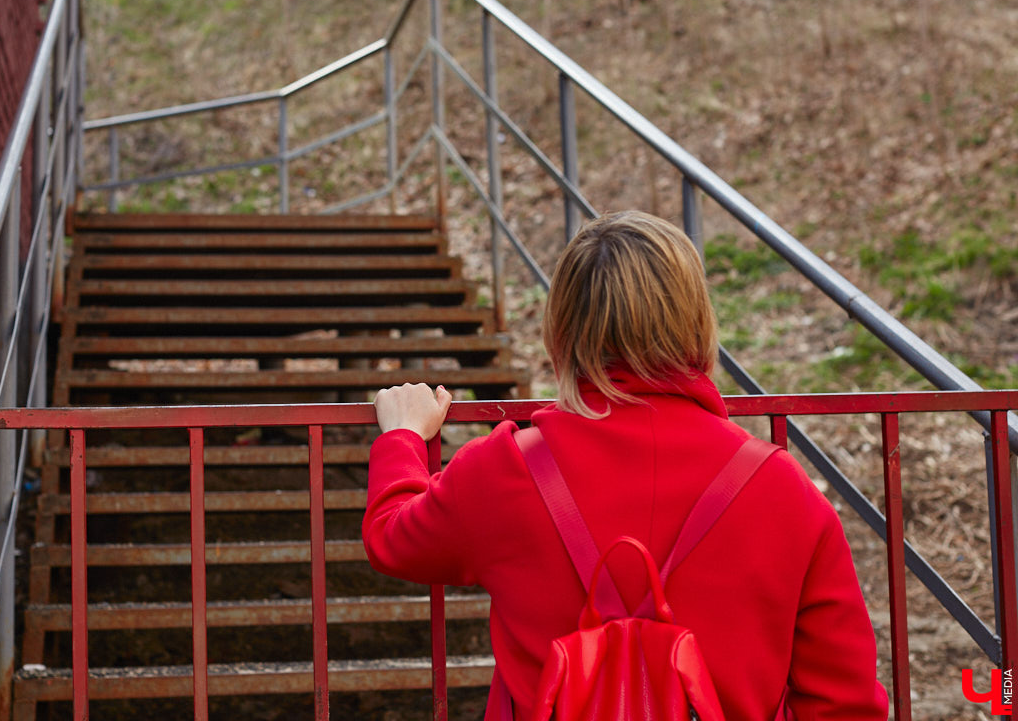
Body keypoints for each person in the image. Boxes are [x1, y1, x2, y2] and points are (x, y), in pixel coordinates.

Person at [363, 211, 888, 720]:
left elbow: (392, 537)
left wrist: (404, 437)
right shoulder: (784, 491)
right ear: (699, 326)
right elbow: (846, 704)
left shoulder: (503, 470)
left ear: (559, 335)